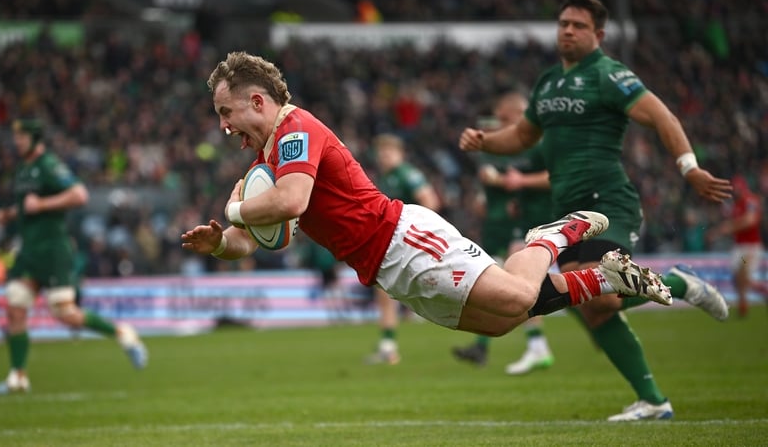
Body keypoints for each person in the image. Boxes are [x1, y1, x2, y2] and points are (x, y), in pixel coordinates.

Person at [181, 51, 673, 385]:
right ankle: (600, 277)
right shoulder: (263, 165)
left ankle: (553, 235)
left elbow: (289, 204)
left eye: (226, 111)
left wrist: (232, 209)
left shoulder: (295, 129)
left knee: (518, 294)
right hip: (389, 270)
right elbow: (267, 237)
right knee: (502, 323)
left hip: (403, 240)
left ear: (258, 101)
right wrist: (222, 243)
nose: (223, 126)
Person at [459, 0, 732, 421]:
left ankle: (677, 286)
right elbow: (522, 136)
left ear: (598, 35)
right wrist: (486, 141)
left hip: (607, 201)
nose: (567, 30)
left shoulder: (609, 75)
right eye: (563, 23)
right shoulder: (548, 82)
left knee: (592, 298)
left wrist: (689, 167)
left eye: (578, 26)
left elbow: (662, 116)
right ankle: (654, 401)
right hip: (568, 212)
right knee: (592, 307)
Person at [0, 119, 148, 396]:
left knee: (64, 313)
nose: (17, 142)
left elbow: (79, 195)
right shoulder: (23, 169)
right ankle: (17, 377)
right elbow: (28, 207)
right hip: (29, 251)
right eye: (16, 137)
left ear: (35, 138)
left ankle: (123, 333)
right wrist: (10, 214)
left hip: (53, 250)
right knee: (15, 305)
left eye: (22, 137)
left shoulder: (48, 165)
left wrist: (44, 204)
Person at [452, 91, 555, 373]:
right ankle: (489, 347)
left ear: (521, 115)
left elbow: (558, 175)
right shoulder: (500, 149)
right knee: (503, 284)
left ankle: (537, 346)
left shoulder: (541, 143)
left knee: (518, 284)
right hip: (509, 224)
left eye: (506, 119)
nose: (500, 124)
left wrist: (520, 181)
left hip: (538, 221)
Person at [365, 133, 442, 365]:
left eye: (389, 152)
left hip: (407, 241)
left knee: (387, 291)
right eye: (381, 153)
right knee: (383, 292)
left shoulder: (407, 174)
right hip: (392, 241)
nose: (384, 157)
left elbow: (431, 201)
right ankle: (388, 347)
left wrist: (417, 230)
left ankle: (390, 347)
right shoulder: (386, 177)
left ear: (400, 154)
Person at [706, 175, 768, 318]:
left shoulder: (750, 201)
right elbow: (733, 225)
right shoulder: (735, 206)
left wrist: (730, 227)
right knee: (737, 278)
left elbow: (751, 220)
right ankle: (745, 302)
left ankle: (747, 303)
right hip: (739, 247)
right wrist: (719, 231)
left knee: (743, 274)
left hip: (750, 247)